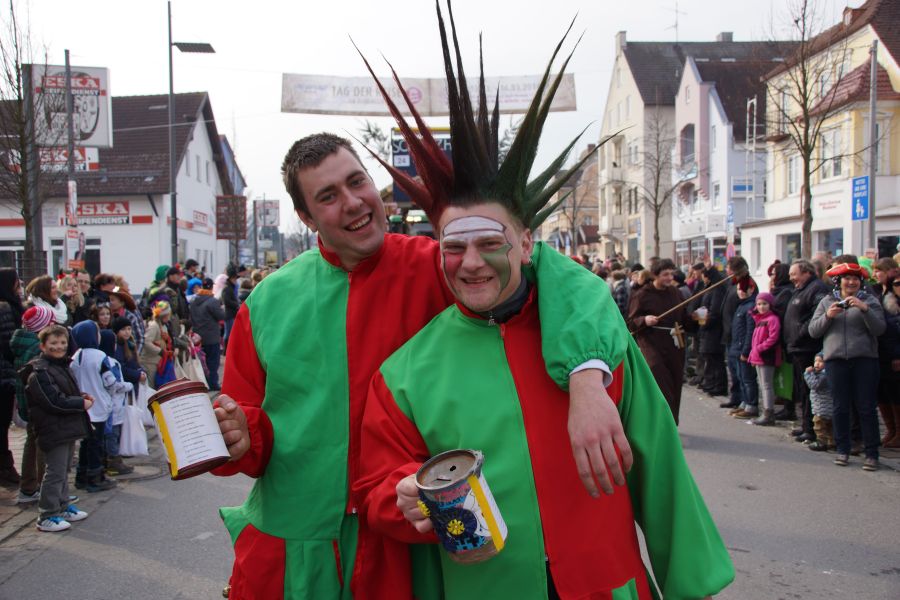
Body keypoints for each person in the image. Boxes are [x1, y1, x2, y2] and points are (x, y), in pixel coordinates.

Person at [211, 45, 635, 600]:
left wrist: (586, 379)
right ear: (305, 216)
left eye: (357, 181)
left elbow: (565, 280)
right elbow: (250, 425)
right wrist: (239, 436)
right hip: (297, 547)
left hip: (407, 544)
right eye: (328, 196)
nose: (353, 202)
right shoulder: (267, 301)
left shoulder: (444, 263)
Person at [349, 11, 731, 598]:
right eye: (454, 247)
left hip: (603, 584)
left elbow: (661, 470)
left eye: (490, 243)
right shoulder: (405, 374)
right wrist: (402, 494)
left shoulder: (594, 352)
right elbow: (378, 484)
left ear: (528, 244)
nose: (471, 262)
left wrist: (691, 586)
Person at [809, 262, 885, 471]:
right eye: (847, 279)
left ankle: (871, 453)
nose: (851, 282)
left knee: (866, 407)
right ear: (839, 281)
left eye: (855, 279)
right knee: (840, 407)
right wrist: (828, 316)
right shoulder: (827, 301)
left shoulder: (870, 301)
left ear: (861, 282)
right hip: (836, 361)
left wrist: (864, 309)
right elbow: (813, 331)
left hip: (864, 360)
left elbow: (880, 329)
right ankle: (843, 449)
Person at [20, 324, 91, 532]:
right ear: (43, 346)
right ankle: (47, 515)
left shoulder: (62, 365)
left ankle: (62, 506)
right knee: (55, 472)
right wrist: (80, 403)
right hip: (52, 428)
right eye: (54, 343)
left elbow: (67, 392)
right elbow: (54, 401)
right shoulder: (39, 372)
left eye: (62, 342)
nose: (59, 347)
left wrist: (81, 397)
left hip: (66, 426)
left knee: (64, 470)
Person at [627, 258, 688, 423]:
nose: (670, 278)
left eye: (671, 274)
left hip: (674, 343)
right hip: (652, 343)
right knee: (660, 381)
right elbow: (631, 321)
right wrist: (644, 320)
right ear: (655, 275)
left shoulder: (676, 293)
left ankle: (672, 422)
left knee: (675, 383)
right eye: (665, 274)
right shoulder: (642, 295)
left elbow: (684, 318)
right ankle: (661, 422)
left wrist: (696, 318)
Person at [781, 259, 830, 437]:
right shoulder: (801, 289)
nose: (791, 278)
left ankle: (811, 429)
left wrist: (800, 333)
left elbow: (816, 316)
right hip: (796, 347)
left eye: (794, 274)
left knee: (809, 390)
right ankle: (805, 424)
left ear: (807, 273)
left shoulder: (817, 289)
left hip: (807, 347)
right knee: (802, 389)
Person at [10, 305, 54, 504]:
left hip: (27, 402)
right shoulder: (36, 348)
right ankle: (46, 489)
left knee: (32, 441)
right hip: (38, 403)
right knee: (43, 444)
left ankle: (28, 488)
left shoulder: (22, 341)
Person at [70, 320, 120, 492]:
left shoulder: (75, 357)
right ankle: (95, 478)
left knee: (86, 443)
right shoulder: (100, 356)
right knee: (96, 444)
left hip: (83, 406)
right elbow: (110, 381)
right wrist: (114, 391)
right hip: (99, 405)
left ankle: (81, 476)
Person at [0, 268, 25, 486]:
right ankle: (5, 469)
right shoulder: (6, 308)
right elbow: (9, 344)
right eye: (17, 283)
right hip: (5, 376)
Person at [98, 329, 134, 476]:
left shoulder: (100, 360)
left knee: (108, 435)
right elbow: (114, 385)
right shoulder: (109, 363)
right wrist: (129, 386)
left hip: (109, 405)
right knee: (112, 435)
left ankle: (106, 461)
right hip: (113, 405)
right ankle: (113, 462)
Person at [726, 278, 758, 419]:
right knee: (741, 377)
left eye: (743, 289)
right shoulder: (741, 306)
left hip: (743, 349)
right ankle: (744, 402)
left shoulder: (750, 307)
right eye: (738, 289)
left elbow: (750, 331)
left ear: (751, 289)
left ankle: (751, 405)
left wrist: (745, 351)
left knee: (748, 379)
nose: (740, 292)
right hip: (736, 348)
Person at [748, 291, 781, 426]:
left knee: (767, 385)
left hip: (767, 355)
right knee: (762, 384)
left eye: (764, 304)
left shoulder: (772, 319)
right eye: (759, 304)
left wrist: (759, 348)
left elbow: (773, 338)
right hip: (759, 355)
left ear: (770, 304)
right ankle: (766, 410)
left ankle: (769, 412)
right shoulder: (760, 320)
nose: (761, 307)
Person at [876, 266, 900, 448]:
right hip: (882, 352)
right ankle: (891, 430)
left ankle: (899, 432)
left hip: (894, 353)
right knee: (883, 393)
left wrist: (897, 355)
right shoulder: (884, 297)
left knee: (895, 393)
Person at [696, 267, 728, 396]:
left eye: (704, 276)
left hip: (713, 331)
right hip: (706, 329)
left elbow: (714, 312)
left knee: (715, 359)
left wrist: (703, 322)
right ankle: (710, 383)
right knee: (709, 358)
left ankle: (718, 385)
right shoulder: (709, 289)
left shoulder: (717, 290)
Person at [189, 278, 225, 391]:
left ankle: (203, 383)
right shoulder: (213, 301)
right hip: (212, 336)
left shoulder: (193, 300)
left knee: (201, 362)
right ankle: (213, 383)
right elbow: (221, 316)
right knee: (212, 362)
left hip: (197, 337)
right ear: (211, 287)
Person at [804, 354, 834, 451]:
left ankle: (821, 442)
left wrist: (807, 374)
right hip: (827, 407)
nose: (817, 363)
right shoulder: (824, 373)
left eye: (820, 361)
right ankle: (831, 442)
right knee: (830, 426)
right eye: (815, 361)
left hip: (822, 408)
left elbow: (814, 384)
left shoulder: (824, 375)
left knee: (819, 425)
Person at [140, 301, 173, 388]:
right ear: (163, 315)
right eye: (168, 315)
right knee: (151, 387)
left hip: (157, 362)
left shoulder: (162, 326)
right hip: (149, 362)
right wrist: (160, 351)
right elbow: (146, 342)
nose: (169, 317)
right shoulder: (153, 326)